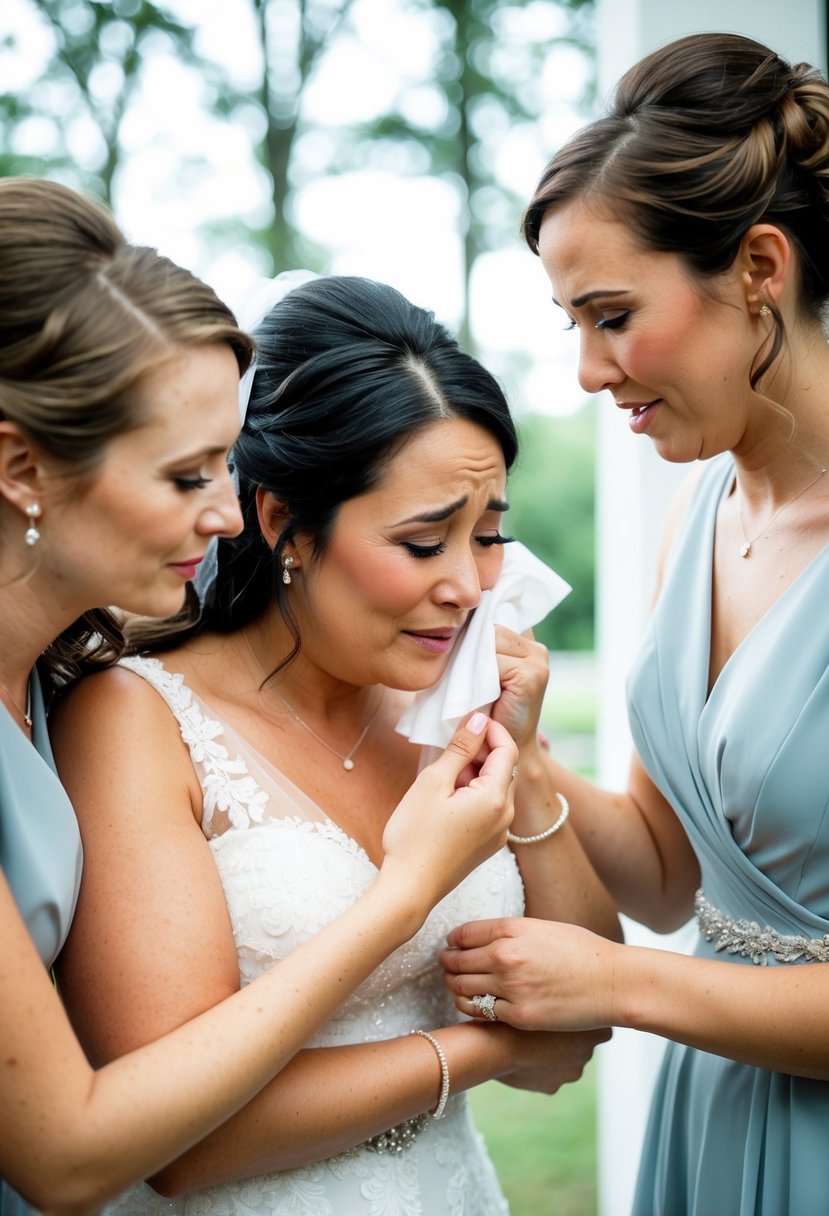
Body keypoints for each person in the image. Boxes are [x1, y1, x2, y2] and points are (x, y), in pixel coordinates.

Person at [0, 178, 522, 1216]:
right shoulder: (126, 711)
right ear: (22, 467)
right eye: (189, 474)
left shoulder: (40, 680)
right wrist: (409, 901)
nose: (231, 517)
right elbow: (67, 1154)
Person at [441, 30, 829, 1216]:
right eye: (568, 321)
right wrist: (526, 748)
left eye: (610, 314)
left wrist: (615, 981)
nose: (586, 371)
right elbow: (672, 875)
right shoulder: (697, 517)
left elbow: (641, 943)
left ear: (759, 265)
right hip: (716, 1110)